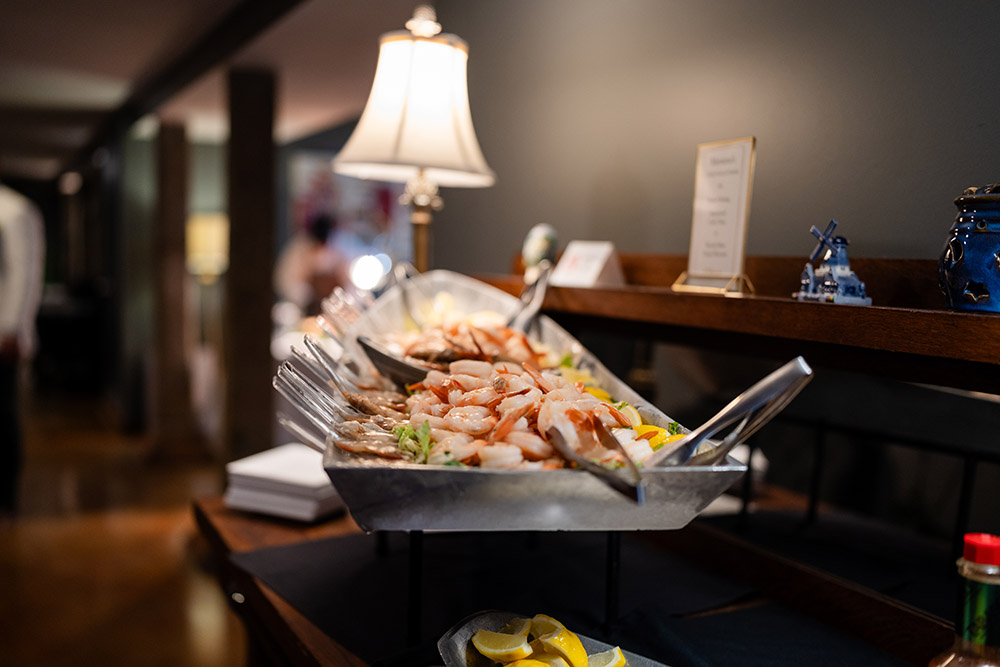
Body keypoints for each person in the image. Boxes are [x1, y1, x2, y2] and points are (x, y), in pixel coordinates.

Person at [0, 179, 45, 515]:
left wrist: (13, 329)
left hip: (3, 337)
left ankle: (6, 500)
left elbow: (25, 273)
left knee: (3, 417)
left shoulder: (13, 210)